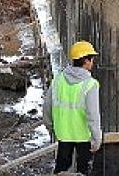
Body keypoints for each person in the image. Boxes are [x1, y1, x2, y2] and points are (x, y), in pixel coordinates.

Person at [43, 40, 102, 175]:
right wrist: (96, 139)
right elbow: (93, 116)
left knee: (61, 170)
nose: (92, 62)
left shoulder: (58, 80)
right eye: (91, 59)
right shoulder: (90, 84)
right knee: (83, 171)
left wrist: (50, 127)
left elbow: (47, 106)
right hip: (83, 137)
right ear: (86, 61)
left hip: (63, 134)